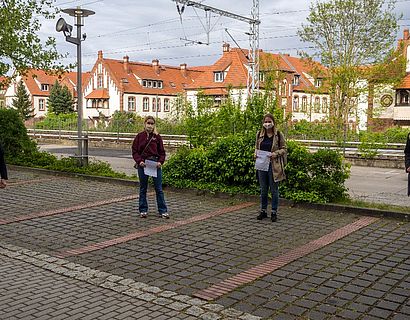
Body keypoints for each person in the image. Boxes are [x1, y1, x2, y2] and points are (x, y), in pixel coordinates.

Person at [132, 116, 168, 218]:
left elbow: (162, 152)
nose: (150, 125)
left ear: (154, 125)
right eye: (148, 123)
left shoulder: (157, 137)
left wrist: (160, 162)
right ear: (144, 124)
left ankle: (163, 210)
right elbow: (135, 151)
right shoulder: (139, 136)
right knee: (143, 188)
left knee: (159, 188)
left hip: (155, 164)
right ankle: (143, 210)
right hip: (143, 164)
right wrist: (139, 161)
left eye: (152, 124)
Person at [254, 114, 287, 222]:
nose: (267, 124)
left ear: (273, 122)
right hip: (262, 165)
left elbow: (284, 149)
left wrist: (275, 153)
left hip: (274, 166)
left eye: (269, 121)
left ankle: (274, 211)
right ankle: (263, 210)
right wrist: (255, 154)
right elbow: (256, 147)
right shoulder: (259, 134)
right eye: (265, 122)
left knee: (274, 190)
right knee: (263, 189)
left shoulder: (278, 134)